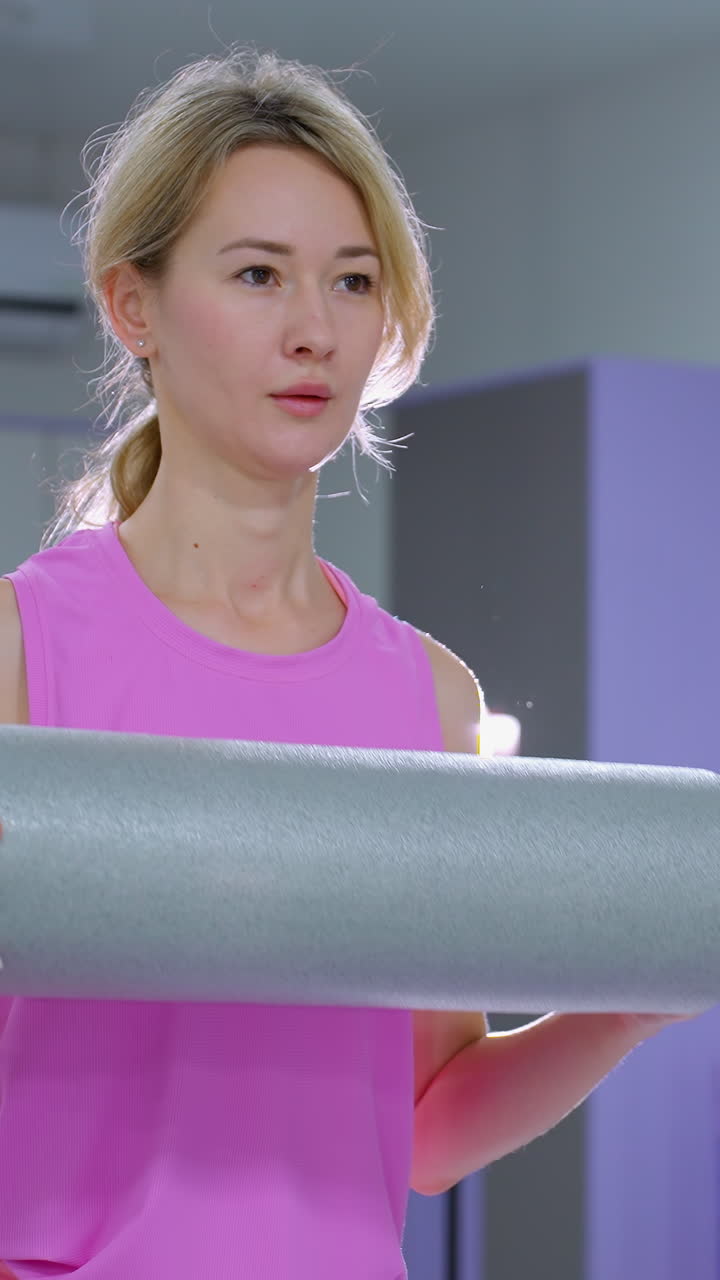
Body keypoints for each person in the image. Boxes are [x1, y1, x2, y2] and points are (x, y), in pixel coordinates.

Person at [0, 44, 695, 1280]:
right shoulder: (22, 653)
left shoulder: (428, 695)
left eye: (353, 280)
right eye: (259, 273)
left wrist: (635, 995)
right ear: (132, 304)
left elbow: (426, 1122)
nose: (314, 329)